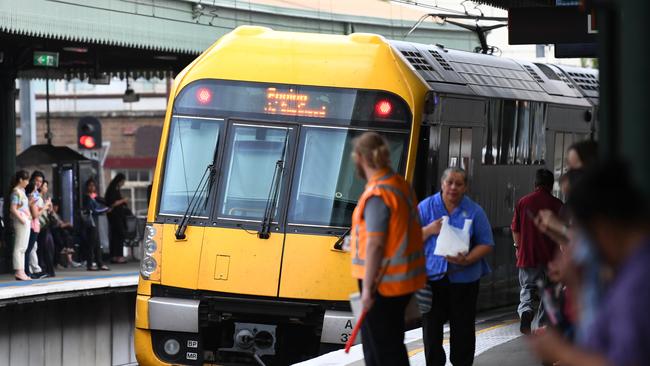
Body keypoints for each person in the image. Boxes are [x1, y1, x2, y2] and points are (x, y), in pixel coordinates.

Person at [529, 160, 650, 366]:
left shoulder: (637, 284)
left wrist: (561, 352)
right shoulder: (630, 269)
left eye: (585, 237)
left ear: (602, 227)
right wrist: (576, 283)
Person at [349, 132, 426, 366]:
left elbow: (375, 244)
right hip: (399, 281)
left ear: (360, 158)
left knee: (382, 351)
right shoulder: (399, 185)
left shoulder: (378, 194)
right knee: (390, 345)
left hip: (382, 283)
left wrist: (367, 291)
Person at [418, 167, 494, 366]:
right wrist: (428, 229)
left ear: (465, 187)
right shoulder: (426, 208)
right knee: (431, 331)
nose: (453, 187)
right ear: (442, 184)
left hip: (465, 280)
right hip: (432, 280)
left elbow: (486, 243)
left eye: (458, 183)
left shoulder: (475, 211)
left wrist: (468, 259)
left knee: (463, 331)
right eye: (449, 182)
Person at [512, 169, 563, 334]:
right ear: (551, 185)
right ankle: (542, 326)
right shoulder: (558, 205)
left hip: (528, 255)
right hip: (552, 258)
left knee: (527, 287)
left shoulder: (523, 202)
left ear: (535, 184)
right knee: (548, 293)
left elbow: (515, 228)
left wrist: (517, 247)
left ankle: (526, 311)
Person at [81, 178, 110, 271]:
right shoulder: (87, 197)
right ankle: (90, 264)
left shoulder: (94, 197)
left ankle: (99, 263)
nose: (92, 187)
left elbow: (104, 201)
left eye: (93, 185)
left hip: (95, 222)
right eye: (90, 185)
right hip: (91, 222)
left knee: (97, 243)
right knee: (92, 243)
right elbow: (94, 210)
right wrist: (105, 210)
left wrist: (96, 198)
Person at [9, 170, 32, 281]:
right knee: (19, 247)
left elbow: (24, 206)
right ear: (20, 180)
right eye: (26, 180)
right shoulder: (16, 192)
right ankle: (19, 271)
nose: (27, 182)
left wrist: (28, 217)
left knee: (23, 247)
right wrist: (22, 219)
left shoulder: (21, 191)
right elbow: (13, 208)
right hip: (21, 220)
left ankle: (21, 271)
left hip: (25, 220)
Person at [24, 170, 47, 279]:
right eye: (36, 180)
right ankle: (29, 271)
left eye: (40, 181)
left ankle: (33, 270)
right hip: (32, 224)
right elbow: (35, 214)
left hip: (35, 224)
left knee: (32, 247)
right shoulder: (32, 194)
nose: (38, 183)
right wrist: (45, 207)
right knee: (29, 249)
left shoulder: (35, 194)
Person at [105, 173, 130, 264]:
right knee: (119, 235)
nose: (123, 183)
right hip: (115, 216)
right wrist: (123, 200)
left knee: (116, 236)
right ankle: (118, 256)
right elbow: (112, 203)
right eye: (123, 181)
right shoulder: (113, 190)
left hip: (117, 216)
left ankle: (115, 256)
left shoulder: (115, 189)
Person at [36, 180, 56, 277]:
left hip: (45, 226)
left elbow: (48, 213)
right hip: (41, 226)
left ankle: (49, 270)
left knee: (48, 248)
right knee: (45, 248)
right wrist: (46, 206)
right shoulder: (37, 198)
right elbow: (38, 213)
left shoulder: (43, 199)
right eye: (45, 186)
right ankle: (46, 270)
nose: (46, 188)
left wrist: (50, 207)